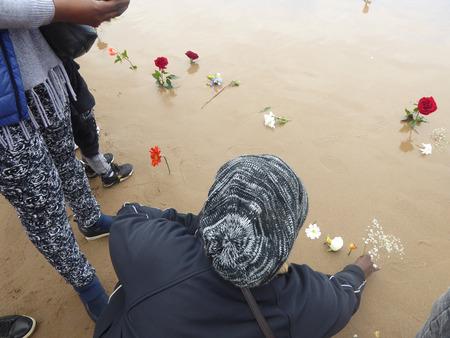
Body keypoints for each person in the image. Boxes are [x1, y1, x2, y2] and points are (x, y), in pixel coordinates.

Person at [94, 155, 378, 338]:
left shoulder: (155, 249)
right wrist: (360, 269)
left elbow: (129, 214)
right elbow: (343, 298)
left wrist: (201, 227)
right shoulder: (299, 301)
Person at [0, 0, 129, 322]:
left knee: (66, 161)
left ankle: (90, 219)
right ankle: (85, 284)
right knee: (41, 205)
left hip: (43, 73)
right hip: (3, 115)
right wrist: (67, 10)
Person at [63, 59, 134, 188]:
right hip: (74, 99)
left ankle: (91, 167)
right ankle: (108, 174)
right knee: (88, 139)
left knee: (83, 136)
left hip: (69, 94)